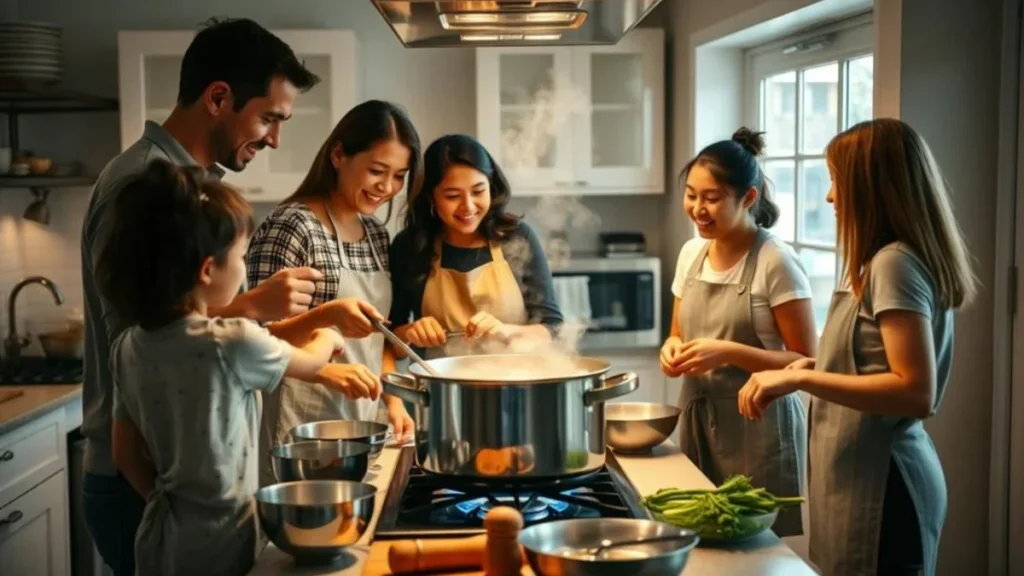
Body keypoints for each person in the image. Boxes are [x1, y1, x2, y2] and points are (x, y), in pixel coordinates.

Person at [79, 17, 328, 575]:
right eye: (269, 118)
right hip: (146, 482)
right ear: (219, 97)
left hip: (170, 483)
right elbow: (145, 338)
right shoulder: (143, 185)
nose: (274, 138)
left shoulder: (189, 187)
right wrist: (251, 307)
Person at [738, 119, 977, 575]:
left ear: (871, 186)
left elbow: (914, 391)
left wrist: (802, 376)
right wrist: (793, 372)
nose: (829, 196)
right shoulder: (883, 261)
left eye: (835, 180)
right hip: (859, 475)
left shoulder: (894, 265)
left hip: (885, 483)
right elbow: (864, 364)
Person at [96, 159, 345, 576]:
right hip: (223, 538)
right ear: (207, 270)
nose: (246, 270)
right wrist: (330, 332)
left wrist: (171, 501)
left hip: (161, 534)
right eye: (242, 257)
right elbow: (311, 362)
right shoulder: (230, 340)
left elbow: (125, 454)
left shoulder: (127, 346)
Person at [246, 100, 418, 484]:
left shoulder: (375, 234)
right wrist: (326, 317)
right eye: (377, 171)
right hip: (299, 436)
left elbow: (380, 340)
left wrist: (393, 399)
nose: (387, 188)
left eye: (399, 176)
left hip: (364, 431)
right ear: (338, 154)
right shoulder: (291, 226)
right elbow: (250, 341)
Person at [661, 128, 817, 537]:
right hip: (700, 423)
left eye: (712, 198)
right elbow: (676, 333)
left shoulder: (775, 261)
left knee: (756, 550)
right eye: (691, 194)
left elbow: (805, 361)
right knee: (703, 544)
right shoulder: (691, 253)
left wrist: (729, 352)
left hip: (758, 431)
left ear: (748, 198)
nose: (697, 208)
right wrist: (671, 349)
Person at [389, 134, 563, 357]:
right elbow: (390, 338)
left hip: (516, 383)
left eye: (478, 191)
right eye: (452, 196)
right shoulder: (410, 246)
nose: (468, 206)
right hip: (442, 389)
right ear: (431, 198)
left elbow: (553, 329)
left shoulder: (518, 238)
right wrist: (411, 332)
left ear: (491, 186)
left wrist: (507, 332)